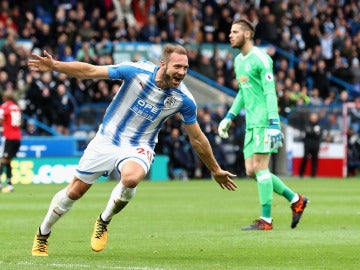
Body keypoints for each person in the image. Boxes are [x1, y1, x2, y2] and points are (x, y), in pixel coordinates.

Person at [28, 44, 237, 256]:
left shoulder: (184, 100)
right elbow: (90, 71)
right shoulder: (136, 72)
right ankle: (43, 233)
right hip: (107, 138)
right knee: (74, 192)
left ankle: (104, 220)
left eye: (186, 68)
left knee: (131, 178)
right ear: (163, 64)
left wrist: (215, 169)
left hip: (140, 144)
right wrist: (55, 66)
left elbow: (198, 138)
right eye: (178, 67)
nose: (182, 72)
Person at [218, 18, 308, 231]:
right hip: (251, 123)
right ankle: (296, 200)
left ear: (247, 34)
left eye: (235, 32)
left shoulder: (261, 59)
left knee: (260, 167)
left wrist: (274, 123)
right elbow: (242, 91)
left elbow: (270, 92)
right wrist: (229, 117)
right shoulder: (239, 61)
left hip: (264, 122)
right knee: (252, 170)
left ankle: (266, 220)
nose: (230, 35)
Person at [0, 90, 22, 192]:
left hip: (8, 136)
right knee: (8, 160)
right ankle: (9, 184)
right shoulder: (16, 107)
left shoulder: (4, 107)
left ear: (5, 98)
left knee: (3, 160)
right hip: (17, 137)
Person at [299, 112, 322, 177]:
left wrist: (312, 133)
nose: (314, 119)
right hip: (308, 144)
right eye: (312, 118)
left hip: (315, 145)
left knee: (314, 159)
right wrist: (314, 133)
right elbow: (307, 133)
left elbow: (319, 135)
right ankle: (301, 173)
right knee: (305, 158)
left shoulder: (319, 125)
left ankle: (313, 174)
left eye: (315, 118)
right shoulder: (307, 125)